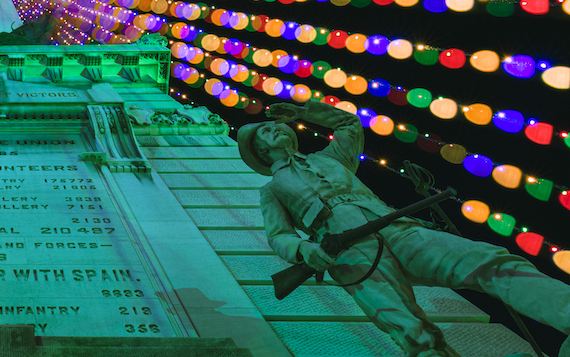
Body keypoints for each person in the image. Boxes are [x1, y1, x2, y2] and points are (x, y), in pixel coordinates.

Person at [237, 98, 570, 357]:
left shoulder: (331, 158)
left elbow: (349, 123)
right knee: (413, 332)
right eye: (265, 132)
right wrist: (305, 249)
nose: (275, 129)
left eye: (275, 126)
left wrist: (304, 110)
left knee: (490, 261)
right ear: (262, 151)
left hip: (399, 228)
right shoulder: (271, 189)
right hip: (350, 253)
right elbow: (279, 235)